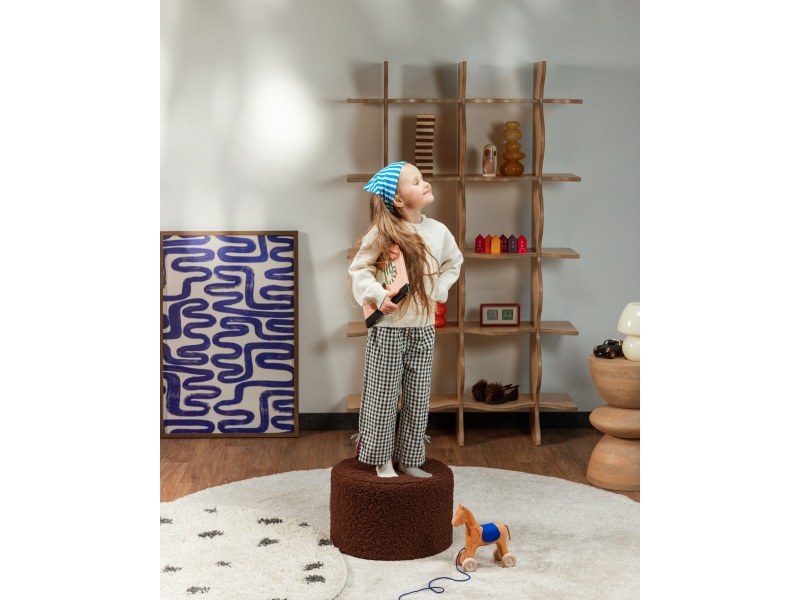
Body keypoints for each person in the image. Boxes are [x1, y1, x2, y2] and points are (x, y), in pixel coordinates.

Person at [348, 161, 463, 478]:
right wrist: (378, 294)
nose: (425, 183)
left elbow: (454, 262)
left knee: (418, 397)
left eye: (423, 179)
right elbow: (359, 269)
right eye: (416, 182)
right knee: (382, 397)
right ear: (398, 200)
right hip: (388, 329)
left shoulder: (438, 231)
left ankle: (411, 458)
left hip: (423, 328)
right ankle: (381, 459)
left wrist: (439, 289)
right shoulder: (383, 232)